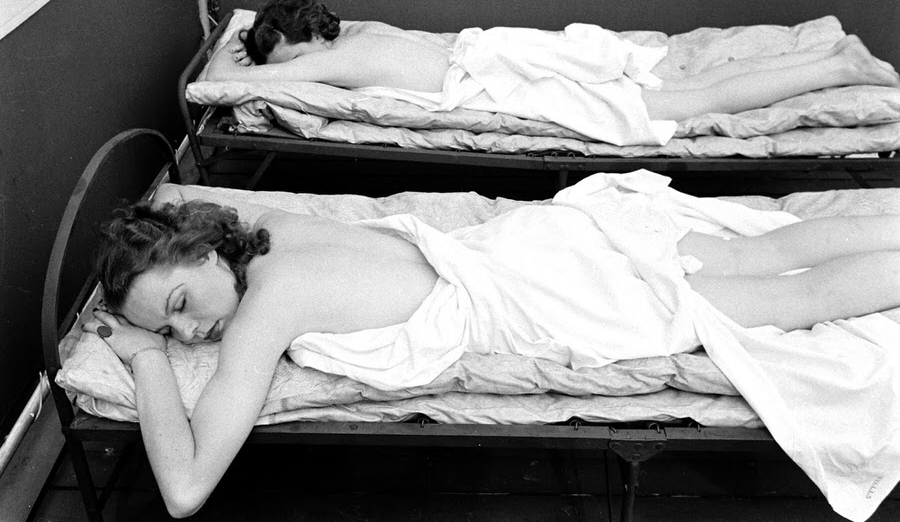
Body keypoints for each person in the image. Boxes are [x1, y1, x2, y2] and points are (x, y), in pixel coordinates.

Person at [84, 178, 900, 517]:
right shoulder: (272, 233)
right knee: (772, 244)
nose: (192, 334)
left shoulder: (267, 308)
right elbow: (181, 200)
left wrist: (146, 360)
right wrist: (152, 313)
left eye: (182, 307)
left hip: (549, 289)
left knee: (788, 299)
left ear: (198, 252)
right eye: (172, 333)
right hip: (553, 241)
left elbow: (185, 490)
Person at [204, 0, 900, 127]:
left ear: (301, 41)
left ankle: (840, 70)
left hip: (508, 83)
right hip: (500, 61)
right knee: (696, 89)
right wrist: (260, 30)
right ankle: (830, 57)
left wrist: (250, 48)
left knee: (695, 104)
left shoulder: (343, 60)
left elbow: (225, 82)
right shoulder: (361, 34)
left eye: (284, 49)